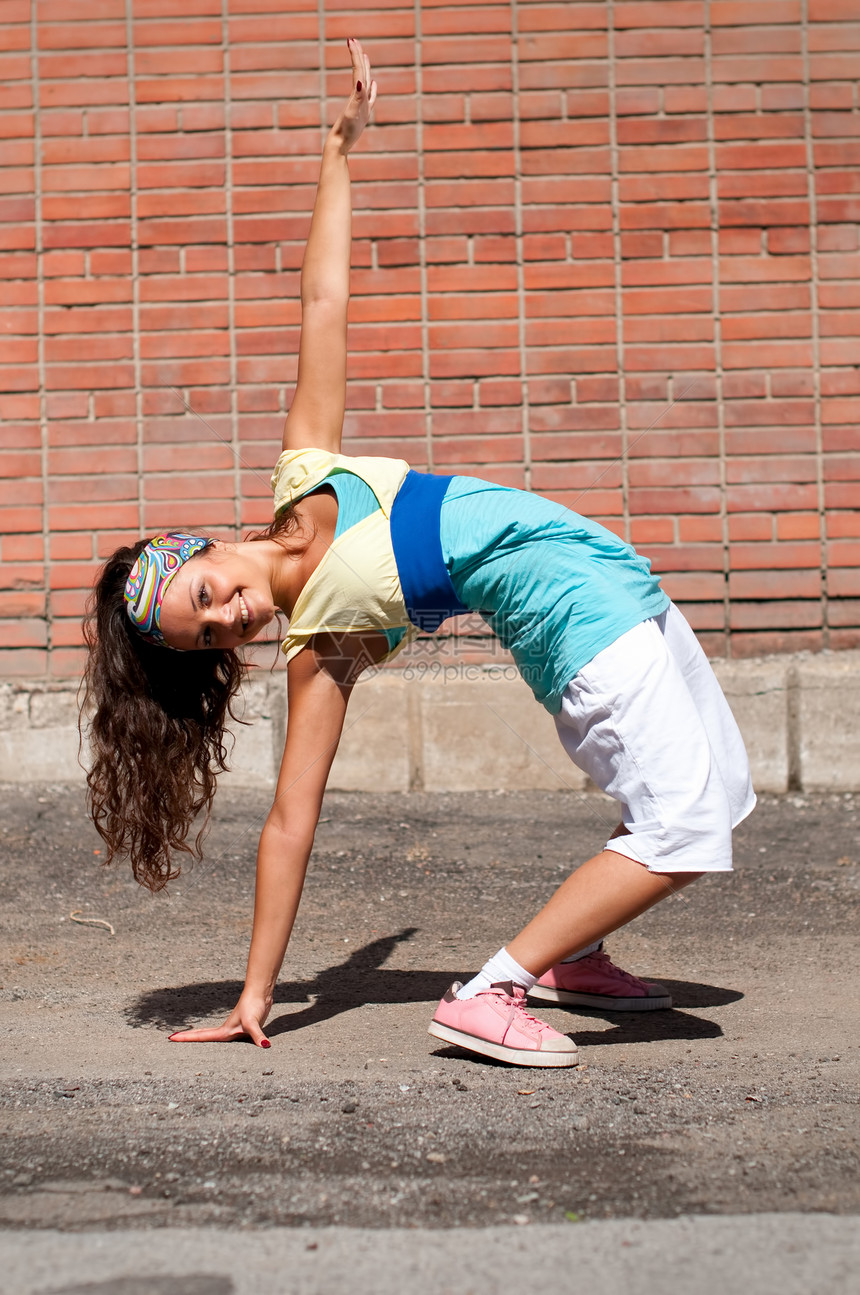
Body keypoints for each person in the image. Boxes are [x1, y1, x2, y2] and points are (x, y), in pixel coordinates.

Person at [82, 40, 755, 1068]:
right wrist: (255, 991)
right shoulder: (323, 643)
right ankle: (492, 989)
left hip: (610, 580)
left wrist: (338, 154)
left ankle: (578, 954)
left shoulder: (303, 471)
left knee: (721, 787)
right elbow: (289, 825)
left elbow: (322, 304)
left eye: (209, 593)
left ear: (207, 544)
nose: (230, 617)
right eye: (210, 633)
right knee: (687, 825)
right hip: (571, 618)